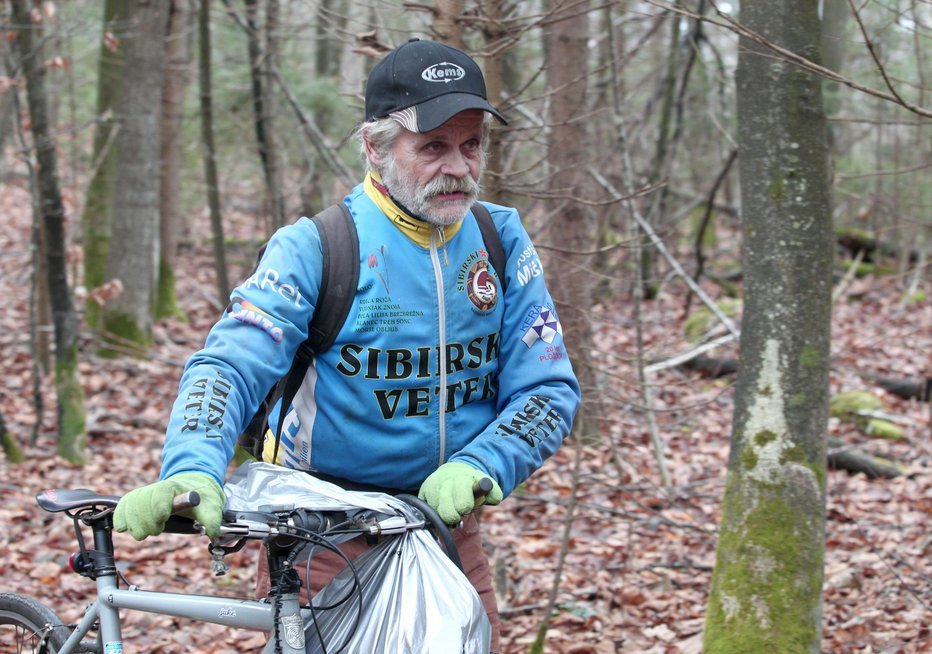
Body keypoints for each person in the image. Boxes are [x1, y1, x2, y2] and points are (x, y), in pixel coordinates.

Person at [114, 37, 580, 651]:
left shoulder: (501, 241)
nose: (459, 167)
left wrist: (482, 463)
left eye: (471, 146)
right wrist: (193, 469)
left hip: (446, 531)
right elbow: (229, 365)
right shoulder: (317, 247)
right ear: (374, 147)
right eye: (433, 147)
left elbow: (548, 389)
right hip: (323, 534)